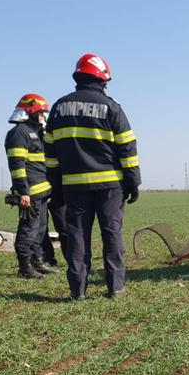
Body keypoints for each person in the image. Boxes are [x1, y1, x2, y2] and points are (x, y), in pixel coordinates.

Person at [44, 54, 141, 300]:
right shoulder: (111, 106)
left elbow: (50, 153)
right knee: (111, 235)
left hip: (73, 187)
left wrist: (55, 186)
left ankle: (77, 290)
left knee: (76, 237)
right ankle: (115, 287)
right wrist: (133, 182)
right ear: (102, 78)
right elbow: (127, 147)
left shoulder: (58, 107)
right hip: (109, 186)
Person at [4, 94, 58, 278]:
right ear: (30, 112)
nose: (44, 116)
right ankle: (25, 268)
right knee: (28, 228)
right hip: (30, 193)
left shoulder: (37, 133)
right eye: (41, 112)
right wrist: (23, 192)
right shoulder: (19, 133)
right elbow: (17, 166)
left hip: (42, 192)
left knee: (40, 229)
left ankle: (38, 262)